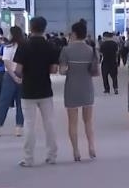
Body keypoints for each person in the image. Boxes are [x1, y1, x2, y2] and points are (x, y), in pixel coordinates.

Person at [12, 16, 60, 167]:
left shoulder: (23, 46)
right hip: (45, 89)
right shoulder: (50, 46)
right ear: (44, 28)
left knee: (29, 124)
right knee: (49, 123)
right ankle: (52, 156)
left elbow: (18, 70)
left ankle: (28, 159)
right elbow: (54, 69)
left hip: (28, 90)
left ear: (31, 28)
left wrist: (22, 75)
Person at [58, 19, 99, 161]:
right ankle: (91, 146)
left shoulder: (66, 50)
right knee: (88, 121)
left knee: (72, 122)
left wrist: (70, 68)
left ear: (74, 34)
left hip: (71, 88)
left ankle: (76, 151)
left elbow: (62, 71)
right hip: (87, 87)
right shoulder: (91, 50)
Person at [0, 26, 25, 138]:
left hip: (9, 76)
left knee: (5, 102)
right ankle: (18, 128)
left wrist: (13, 76)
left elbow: (6, 62)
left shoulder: (9, 46)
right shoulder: (24, 46)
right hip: (21, 75)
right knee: (19, 102)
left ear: (12, 34)